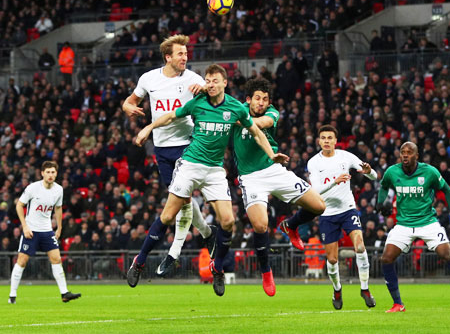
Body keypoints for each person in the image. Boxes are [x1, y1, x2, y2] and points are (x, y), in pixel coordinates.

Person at [131, 64, 288, 296]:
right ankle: (140, 262)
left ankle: (217, 268)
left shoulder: (235, 108)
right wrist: (149, 128)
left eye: (215, 80)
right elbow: (171, 116)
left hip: (214, 170)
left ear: (225, 83)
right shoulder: (198, 103)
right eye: (208, 80)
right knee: (167, 215)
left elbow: (256, 132)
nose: (211, 84)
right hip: (191, 165)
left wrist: (271, 155)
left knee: (227, 222)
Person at [220, 78, 325, 297]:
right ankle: (266, 271)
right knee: (261, 225)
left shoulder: (271, 113)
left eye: (265, 99)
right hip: (250, 177)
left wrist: (240, 119)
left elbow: (263, 124)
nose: (261, 103)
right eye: (257, 98)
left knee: (319, 206)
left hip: (274, 168)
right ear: (248, 99)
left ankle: (291, 226)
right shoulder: (237, 110)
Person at [122, 34, 215, 277]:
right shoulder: (149, 78)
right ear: (168, 57)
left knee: (179, 199)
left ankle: (171, 252)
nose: (186, 57)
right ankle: (207, 232)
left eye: (186, 53)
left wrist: (205, 88)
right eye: (181, 54)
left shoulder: (193, 78)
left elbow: (214, 92)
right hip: (162, 149)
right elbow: (130, 101)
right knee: (181, 200)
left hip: (188, 144)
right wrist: (128, 107)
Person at [376, 142, 450, 313]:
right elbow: (384, 186)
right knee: (386, 258)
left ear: (417, 155)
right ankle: (398, 304)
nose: (405, 155)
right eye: (403, 152)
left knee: (446, 254)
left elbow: (447, 190)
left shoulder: (429, 171)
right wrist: (381, 203)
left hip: (427, 222)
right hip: (404, 223)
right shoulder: (392, 171)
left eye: (409, 152)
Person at [306, 124, 377, 309]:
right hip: (327, 213)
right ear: (319, 141)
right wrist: (335, 182)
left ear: (336, 141)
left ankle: (365, 288)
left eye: (330, 138)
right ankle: (337, 289)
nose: (327, 141)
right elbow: (315, 190)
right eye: (324, 138)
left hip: (348, 209)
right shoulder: (314, 162)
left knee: (360, 246)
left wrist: (369, 172)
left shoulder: (347, 157)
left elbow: (374, 176)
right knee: (332, 259)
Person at [8, 161, 81, 304]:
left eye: (53, 172)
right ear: (42, 173)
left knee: (57, 259)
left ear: (56, 174)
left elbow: (58, 208)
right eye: (48, 172)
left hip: (47, 231)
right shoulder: (33, 188)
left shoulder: (59, 189)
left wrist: (59, 228)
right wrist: (25, 226)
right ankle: (12, 296)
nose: (50, 175)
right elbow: (19, 205)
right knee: (22, 261)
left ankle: (64, 293)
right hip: (31, 230)